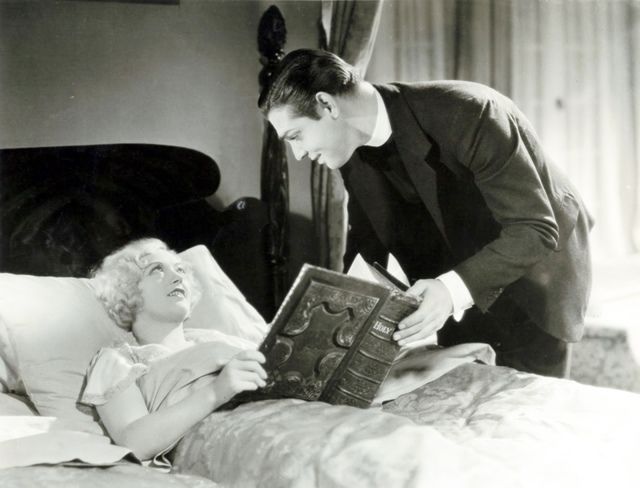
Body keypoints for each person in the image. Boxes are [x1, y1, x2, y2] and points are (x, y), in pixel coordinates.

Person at [259, 48, 593, 378]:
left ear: (327, 104)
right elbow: (366, 244)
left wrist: (449, 291)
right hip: (460, 279)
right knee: (469, 394)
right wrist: (328, 332)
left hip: (534, 274)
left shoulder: (469, 111)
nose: (297, 154)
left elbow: (534, 229)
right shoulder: (350, 151)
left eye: (295, 136)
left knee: (531, 403)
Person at [80, 238, 267, 464]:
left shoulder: (216, 339)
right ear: (126, 291)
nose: (178, 277)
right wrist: (217, 391)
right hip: (236, 440)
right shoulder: (120, 360)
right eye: (157, 269)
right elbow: (134, 443)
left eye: (180, 270)